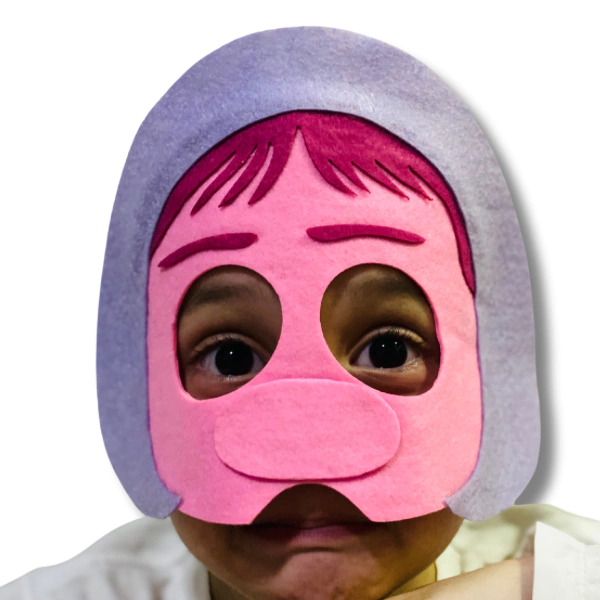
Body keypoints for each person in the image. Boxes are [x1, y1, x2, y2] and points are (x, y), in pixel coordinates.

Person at [2, 28, 599, 600]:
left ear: (491, 380)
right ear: (137, 393)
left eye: (387, 350)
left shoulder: (559, 569)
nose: (309, 438)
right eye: (230, 357)